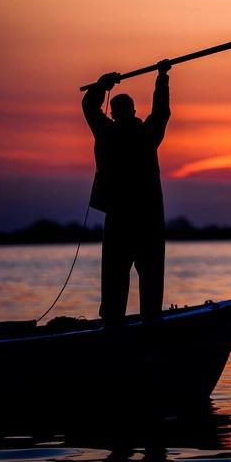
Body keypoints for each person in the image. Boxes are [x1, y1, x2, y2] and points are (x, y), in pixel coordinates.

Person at [82, 60, 171, 325]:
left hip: (120, 217)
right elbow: (161, 112)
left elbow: (88, 107)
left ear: (113, 114)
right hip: (147, 218)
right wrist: (162, 78)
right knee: (150, 276)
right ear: (132, 111)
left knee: (114, 276)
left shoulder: (106, 132)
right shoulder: (146, 134)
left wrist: (101, 85)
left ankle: (112, 325)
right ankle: (150, 323)